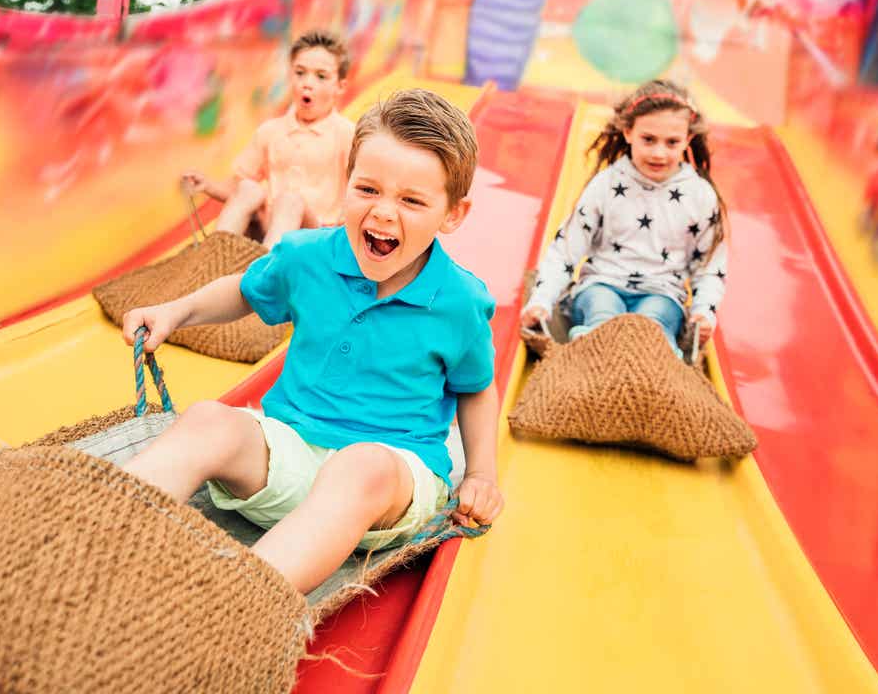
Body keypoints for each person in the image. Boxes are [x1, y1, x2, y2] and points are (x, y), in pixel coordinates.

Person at [122, 89, 504, 594]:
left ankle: (236, 600)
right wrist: (176, 311)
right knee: (208, 419)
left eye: (412, 200)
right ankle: (101, 526)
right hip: (290, 452)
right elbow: (244, 291)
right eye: (367, 189)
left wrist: (482, 473)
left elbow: (475, 387)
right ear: (346, 184)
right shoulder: (307, 256)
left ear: (453, 215)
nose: (384, 214)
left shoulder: (458, 301)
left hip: (388, 479)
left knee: (359, 466)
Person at [520, 79, 728, 358]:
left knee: (653, 323)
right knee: (603, 311)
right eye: (648, 139)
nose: (659, 152)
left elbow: (710, 266)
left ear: (688, 139)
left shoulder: (700, 196)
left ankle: (658, 359)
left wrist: (704, 312)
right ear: (628, 132)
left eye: (672, 142)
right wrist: (542, 300)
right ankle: (589, 352)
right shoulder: (605, 185)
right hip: (602, 285)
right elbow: (566, 249)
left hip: (662, 293)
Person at [180, 30, 355, 246]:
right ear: (290, 75)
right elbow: (235, 188)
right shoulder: (271, 131)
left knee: (290, 200)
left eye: (321, 76)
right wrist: (208, 185)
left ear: (340, 86)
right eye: (300, 73)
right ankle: (215, 256)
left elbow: (360, 190)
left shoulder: (347, 134)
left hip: (316, 236)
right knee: (249, 189)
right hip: (271, 227)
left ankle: (267, 271)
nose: (307, 83)